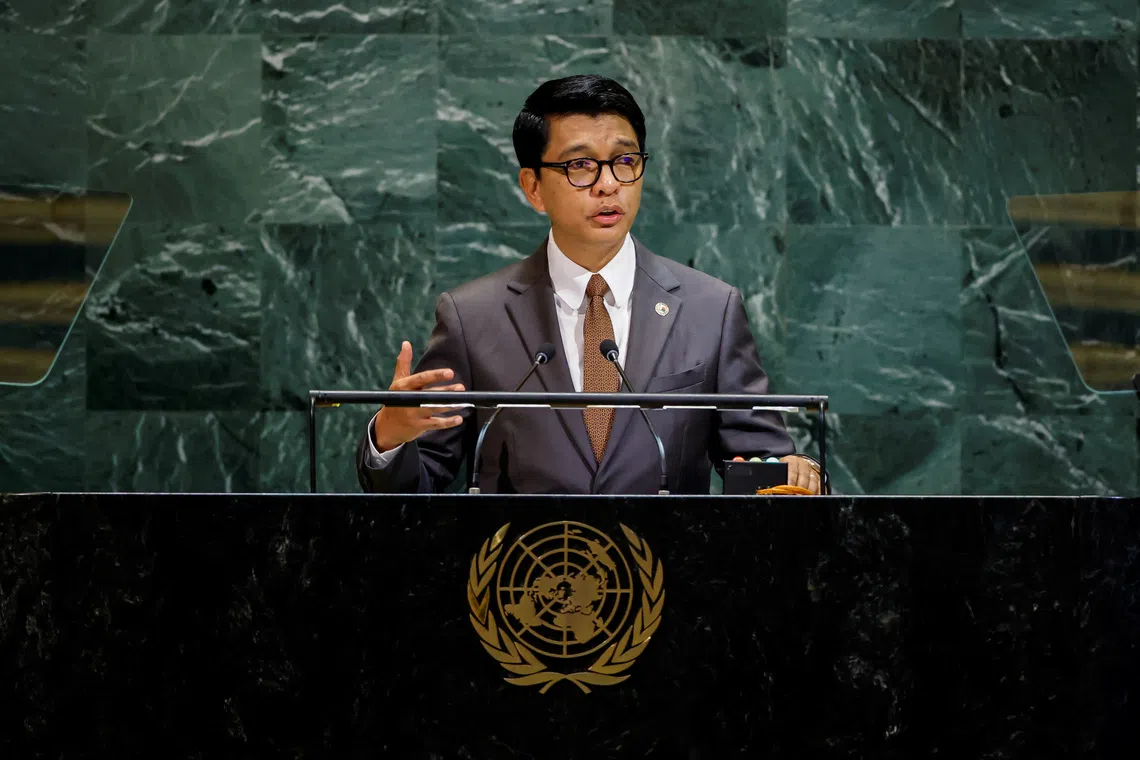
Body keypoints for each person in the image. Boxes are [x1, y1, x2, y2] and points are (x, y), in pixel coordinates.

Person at [356, 74, 821, 495]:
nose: (608, 185)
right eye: (580, 166)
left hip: (666, 577)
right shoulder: (471, 316)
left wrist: (791, 473)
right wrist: (391, 435)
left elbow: (762, 462)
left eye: (624, 160)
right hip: (520, 578)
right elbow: (419, 487)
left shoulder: (711, 310)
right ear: (533, 186)